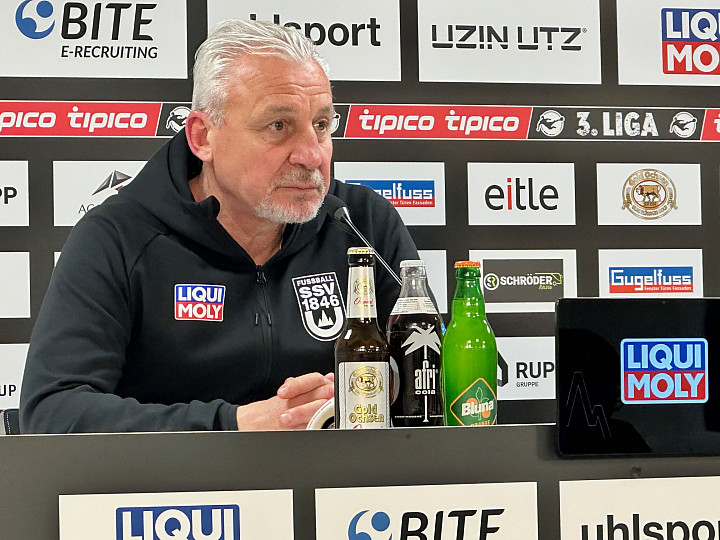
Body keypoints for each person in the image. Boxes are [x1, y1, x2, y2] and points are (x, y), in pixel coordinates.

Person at [19, 19, 423, 433]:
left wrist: (378, 387)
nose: (310, 155)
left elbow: (428, 367)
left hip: (342, 475)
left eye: (321, 125)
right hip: (177, 477)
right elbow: (52, 412)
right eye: (278, 126)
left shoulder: (363, 224)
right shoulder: (118, 238)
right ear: (202, 138)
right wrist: (236, 425)